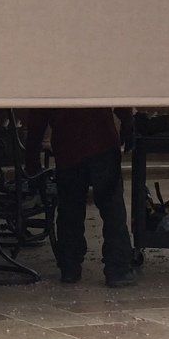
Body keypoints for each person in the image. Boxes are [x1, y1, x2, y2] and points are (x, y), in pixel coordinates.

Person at [20, 108, 136, 287]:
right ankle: (118, 269)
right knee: (112, 208)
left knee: (69, 210)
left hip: (68, 147)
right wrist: (128, 122)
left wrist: (32, 159)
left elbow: (38, 117)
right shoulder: (95, 78)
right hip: (102, 143)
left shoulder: (50, 80)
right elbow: (115, 93)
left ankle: (70, 267)